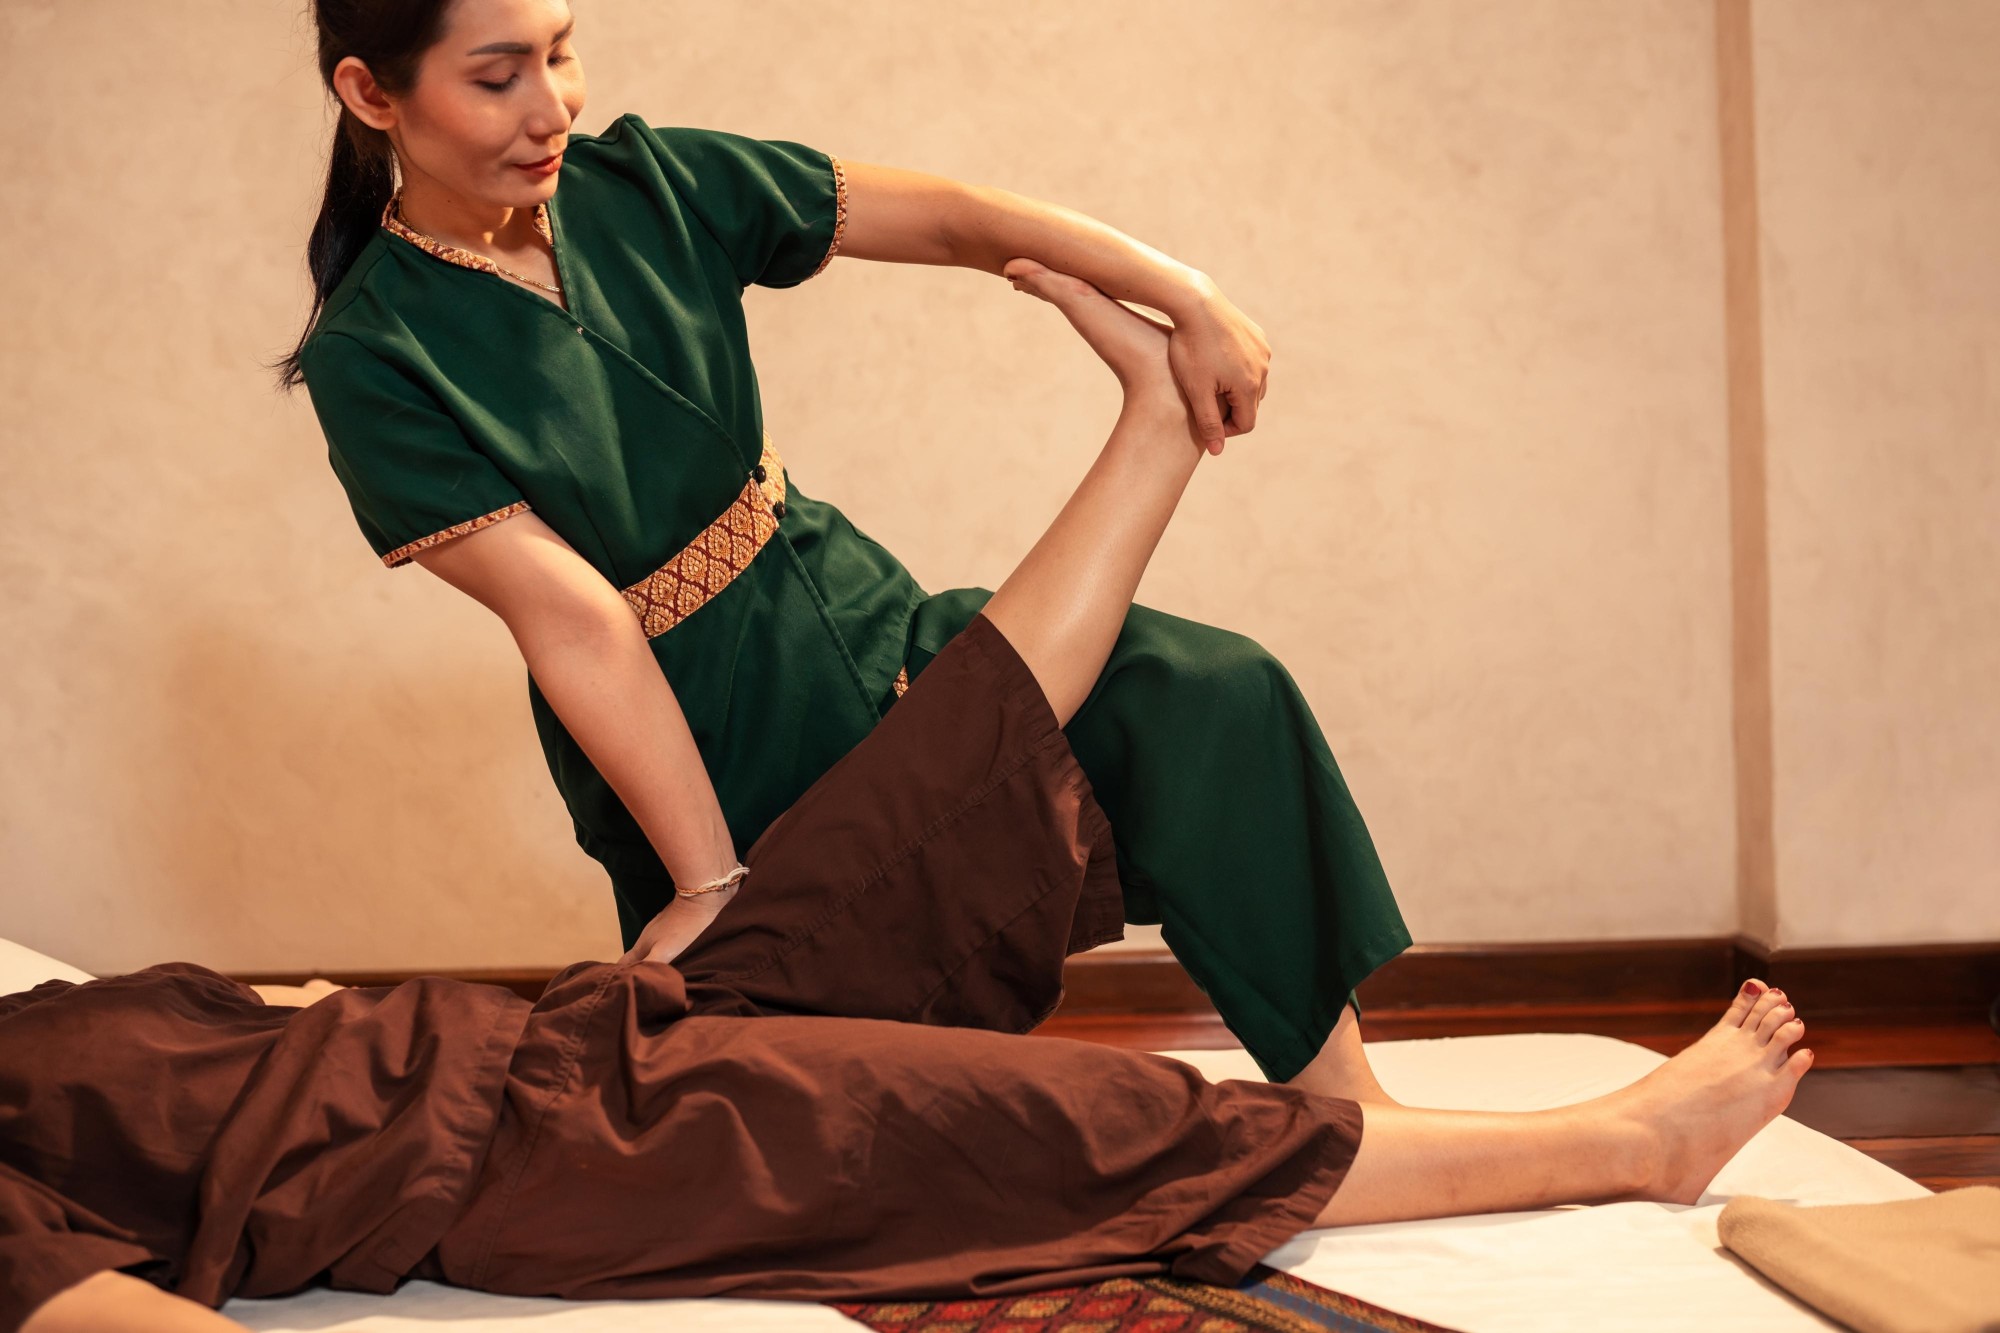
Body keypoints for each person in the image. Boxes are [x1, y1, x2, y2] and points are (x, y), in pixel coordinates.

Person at [10, 265, 1814, 1333]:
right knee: (1070, 1123)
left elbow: (281, 1031)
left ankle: (1157, 432)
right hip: (550, 1157)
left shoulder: (38, 1021)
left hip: (568, 1037)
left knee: (960, 758)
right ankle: (1621, 1145)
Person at [278, 0, 1413, 1099]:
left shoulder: (653, 182)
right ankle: (1151, 428)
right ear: (371, 93)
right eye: (496, 77)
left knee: (1205, 691)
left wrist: (1186, 293)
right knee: (799, 1101)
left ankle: (1344, 1095)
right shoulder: (375, 354)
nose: (552, 107)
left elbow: (956, 220)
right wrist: (708, 878)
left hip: (864, 619)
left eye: (560, 52)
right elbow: (574, 620)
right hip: (705, 748)